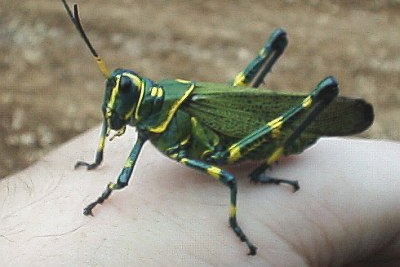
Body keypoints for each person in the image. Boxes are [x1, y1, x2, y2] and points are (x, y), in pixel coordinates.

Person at [0, 127, 399, 266]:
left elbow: (226, 176)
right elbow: (121, 158)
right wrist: (101, 176)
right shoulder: (147, 128)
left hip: (258, 142)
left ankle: (261, 171)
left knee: (225, 177)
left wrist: (238, 223)